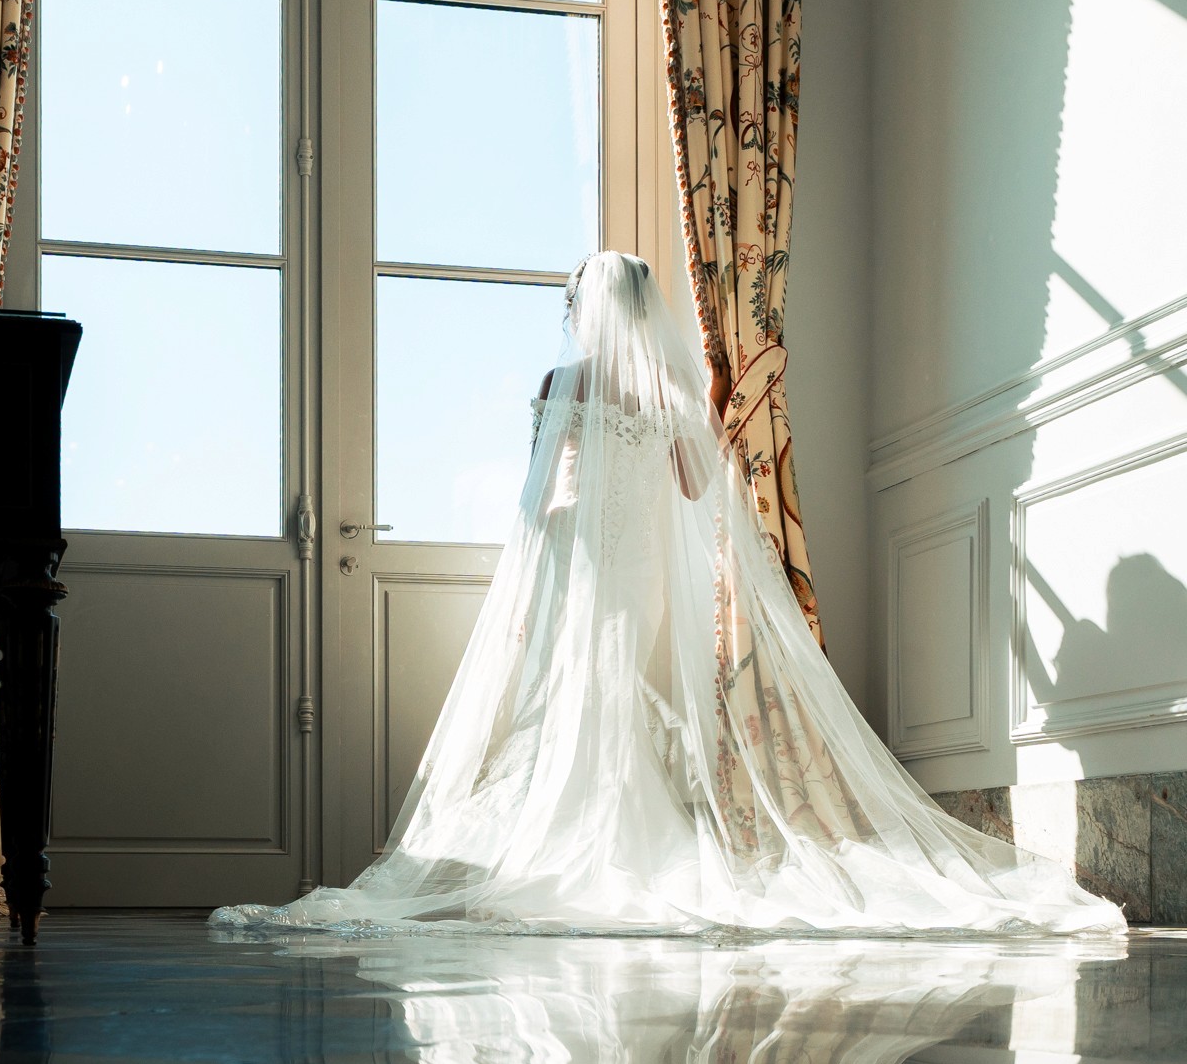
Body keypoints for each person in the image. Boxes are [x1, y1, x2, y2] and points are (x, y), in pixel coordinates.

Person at [213, 253, 1124, 937]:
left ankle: (566, 837)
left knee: (572, 699)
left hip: (579, 557)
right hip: (634, 568)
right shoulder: (663, 389)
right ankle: (617, 833)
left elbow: (540, 498)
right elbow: (695, 489)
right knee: (601, 698)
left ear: (588, 313)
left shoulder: (561, 383)